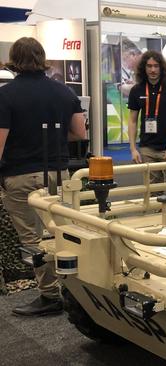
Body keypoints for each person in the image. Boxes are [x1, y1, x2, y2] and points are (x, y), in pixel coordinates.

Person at [0, 37, 86, 315]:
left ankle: (50, 295)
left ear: (13, 59)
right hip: (58, 174)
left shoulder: (5, 95)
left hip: (20, 175)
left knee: (32, 239)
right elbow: (79, 133)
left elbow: (0, 143)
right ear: (42, 57)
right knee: (60, 232)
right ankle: (76, 291)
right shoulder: (64, 92)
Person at [128, 50, 166, 189]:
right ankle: (155, 211)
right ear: (144, 68)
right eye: (149, 66)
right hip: (147, 148)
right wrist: (133, 149)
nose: (153, 70)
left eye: (156, 66)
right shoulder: (137, 90)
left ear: (161, 67)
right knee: (152, 190)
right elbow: (132, 121)